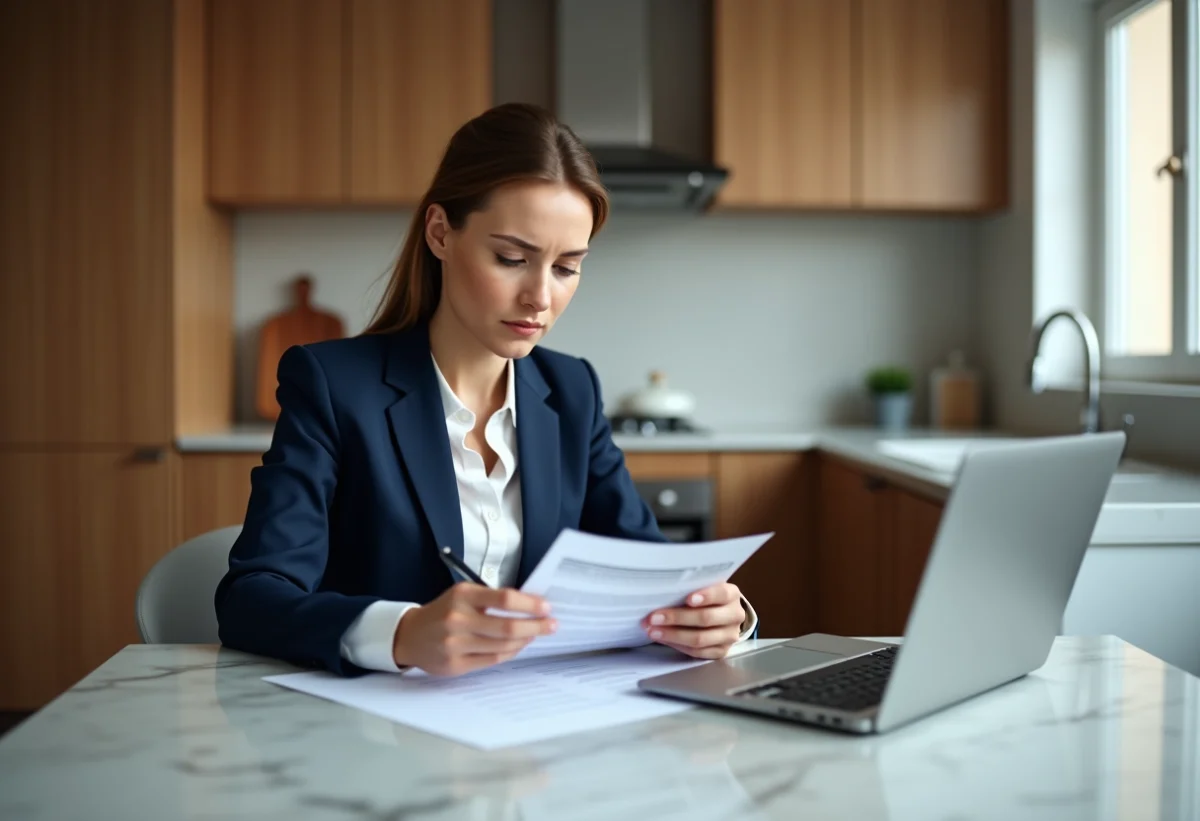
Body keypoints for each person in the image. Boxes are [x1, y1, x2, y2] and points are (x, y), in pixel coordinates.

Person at [214, 102, 757, 678]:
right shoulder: (332, 384)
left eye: (567, 268)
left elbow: (651, 572)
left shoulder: (570, 389)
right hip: (373, 738)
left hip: (533, 730)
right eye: (512, 259)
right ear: (441, 233)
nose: (540, 298)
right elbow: (251, 599)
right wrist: (399, 633)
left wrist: (720, 614)